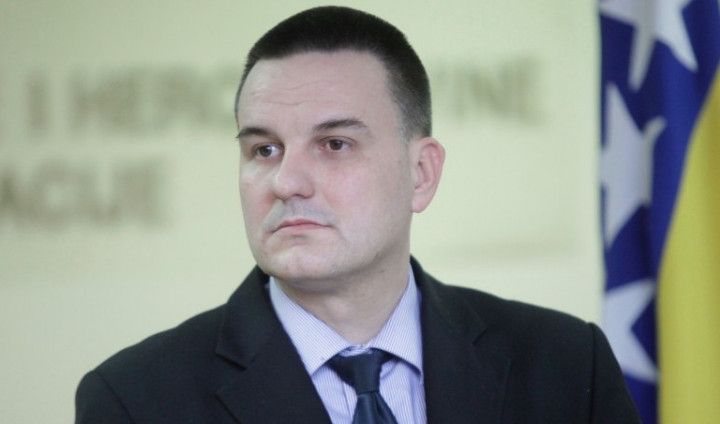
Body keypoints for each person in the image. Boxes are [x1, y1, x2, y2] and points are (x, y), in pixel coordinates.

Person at [75, 6, 640, 423]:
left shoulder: (567, 366)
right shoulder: (135, 400)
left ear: (421, 173)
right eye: (264, 149)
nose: (286, 181)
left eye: (334, 144)